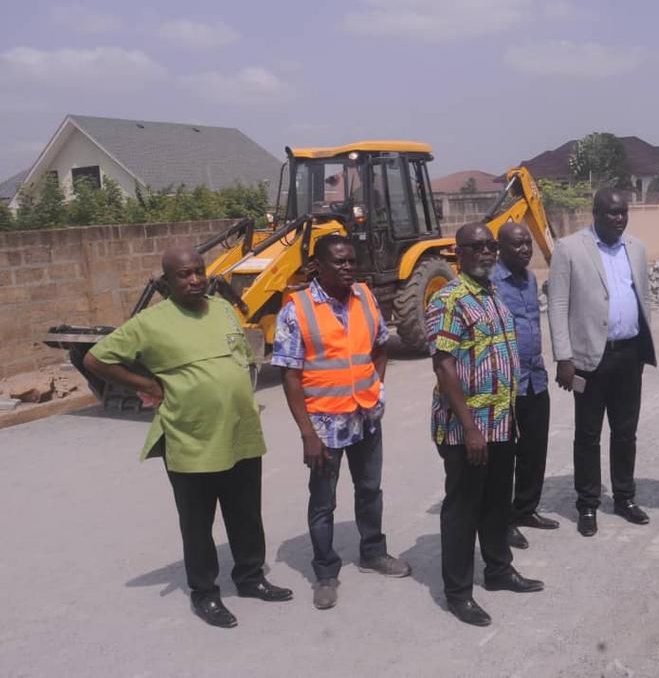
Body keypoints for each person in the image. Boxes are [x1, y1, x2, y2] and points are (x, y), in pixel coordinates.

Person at [82, 245, 292, 629]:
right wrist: (145, 383)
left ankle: (250, 577)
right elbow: (96, 359)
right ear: (167, 282)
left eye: (199, 271)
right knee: (197, 522)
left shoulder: (224, 310)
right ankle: (205, 593)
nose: (195, 279)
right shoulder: (151, 322)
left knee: (246, 513)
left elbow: (241, 358)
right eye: (184, 274)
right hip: (190, 437)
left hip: (240, 431)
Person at [273, 234, 411, 611]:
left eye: (352, 261)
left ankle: (373, 553)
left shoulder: (365, 297)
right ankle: (325, 572)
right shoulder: (296, 310)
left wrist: (375, 385)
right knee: (323, 502)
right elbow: (290, 376)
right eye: (340, 262)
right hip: (324, 425)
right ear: (318, 266)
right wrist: (307, 434)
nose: (349, 267)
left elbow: (380, 345)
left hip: (365, 416)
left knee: (370, 490)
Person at [427, 222, 545, 627]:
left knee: (497, 503)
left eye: (490, 246)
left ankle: (498, 570)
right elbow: (443, 365)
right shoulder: (449, 300)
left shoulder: (493, 295)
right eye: (475, 246)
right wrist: (471, 428)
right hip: (468, 430)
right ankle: (458, 592)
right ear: (457, 253)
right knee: (463, 508)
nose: (486, 252)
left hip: (501, 423)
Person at [548, 188, 657, 537]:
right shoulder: (569, 248)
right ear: (595, 213)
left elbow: (644, 296)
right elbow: (558, 305)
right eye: (611, 212)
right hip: (589, 357)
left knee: (626, 433)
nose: (619, 218)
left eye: (623, 212)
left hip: (628, 355)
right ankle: (588, 504)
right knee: (588, 435)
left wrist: (643, 345)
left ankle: (624, 497)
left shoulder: (636, 248)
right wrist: (564, 356)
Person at [491, 221, 560, 550]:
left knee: (535, 449)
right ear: (500, 248)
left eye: (527, 244)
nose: (524, 250)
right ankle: (501, 521)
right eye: (517, 245)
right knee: (505, 458)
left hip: (535, 378)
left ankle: (525, 509)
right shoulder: (491, 283)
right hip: (507, 384)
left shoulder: (531, 279)